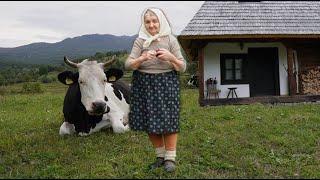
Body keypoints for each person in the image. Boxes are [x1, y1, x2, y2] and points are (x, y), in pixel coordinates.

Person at [125, 7, 186, 172]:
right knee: (149, 120)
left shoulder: (171, 40)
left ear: (161, 21)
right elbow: (128, 65)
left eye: (154, 21)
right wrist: (142, 58)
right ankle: (160, 157)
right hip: (143, 83)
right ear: (144, 24)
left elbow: (182, 67)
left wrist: (170, 57)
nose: (151, 25)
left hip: (166, 83)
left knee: (168, 119)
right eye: (148, 22)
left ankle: (170, 159)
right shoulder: (140, 41)